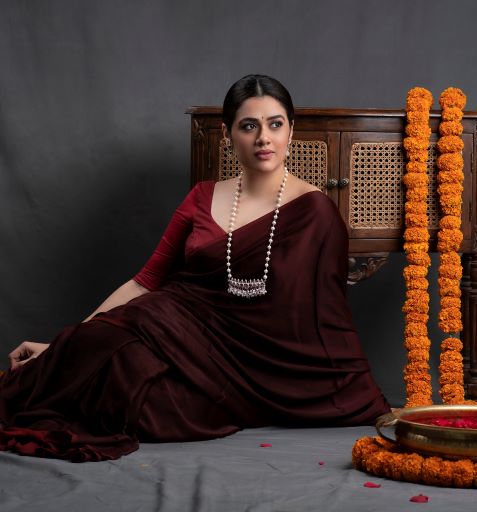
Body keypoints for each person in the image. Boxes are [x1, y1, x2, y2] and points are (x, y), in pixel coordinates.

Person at [0, 74, 390, 462]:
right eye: (248, 126)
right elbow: (145, 281)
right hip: (168, 330)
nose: (263, 139)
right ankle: (48, 366)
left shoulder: (314, 211)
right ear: (228, 134)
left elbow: (325, 318)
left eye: (275, 124)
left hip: (244, 375)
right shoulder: (202, 196)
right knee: (109, 349)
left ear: (291, 130)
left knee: (142, 404)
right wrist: (61, 346)